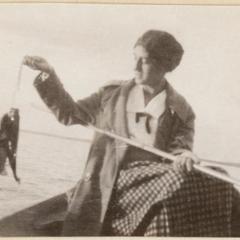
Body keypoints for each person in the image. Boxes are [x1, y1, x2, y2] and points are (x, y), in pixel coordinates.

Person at [23, 30, 240, 236]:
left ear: (165, 66)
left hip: (152, 188)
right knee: (177, 182)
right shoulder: (110, 95)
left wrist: (184, 155)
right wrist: (48, 74)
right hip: (110, 185)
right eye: (134, 57)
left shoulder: (181, 111)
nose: (135, 66)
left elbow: (180, 148)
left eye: (143, 60)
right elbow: (70, 114)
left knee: (218, 179)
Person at [0, 108, 20, 183]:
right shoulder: (6, 119)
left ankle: (2, 168)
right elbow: (3, 124)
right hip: (4, 143)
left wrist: (15, 176)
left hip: (6, 144)